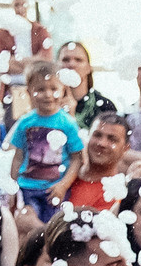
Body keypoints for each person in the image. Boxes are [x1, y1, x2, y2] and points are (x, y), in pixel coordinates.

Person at [7, 60, 86, 223]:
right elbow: (18, 157)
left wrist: (63, 185)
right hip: (28, 187)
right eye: (40, 89)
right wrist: (12, 187)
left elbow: (77, 159)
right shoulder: (25, 123)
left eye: (53, 89)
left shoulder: (67, 123)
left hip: (55, 188)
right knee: (28, 223)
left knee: (54, 225)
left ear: (63, 90)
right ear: (29, 92)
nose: (48, 94)